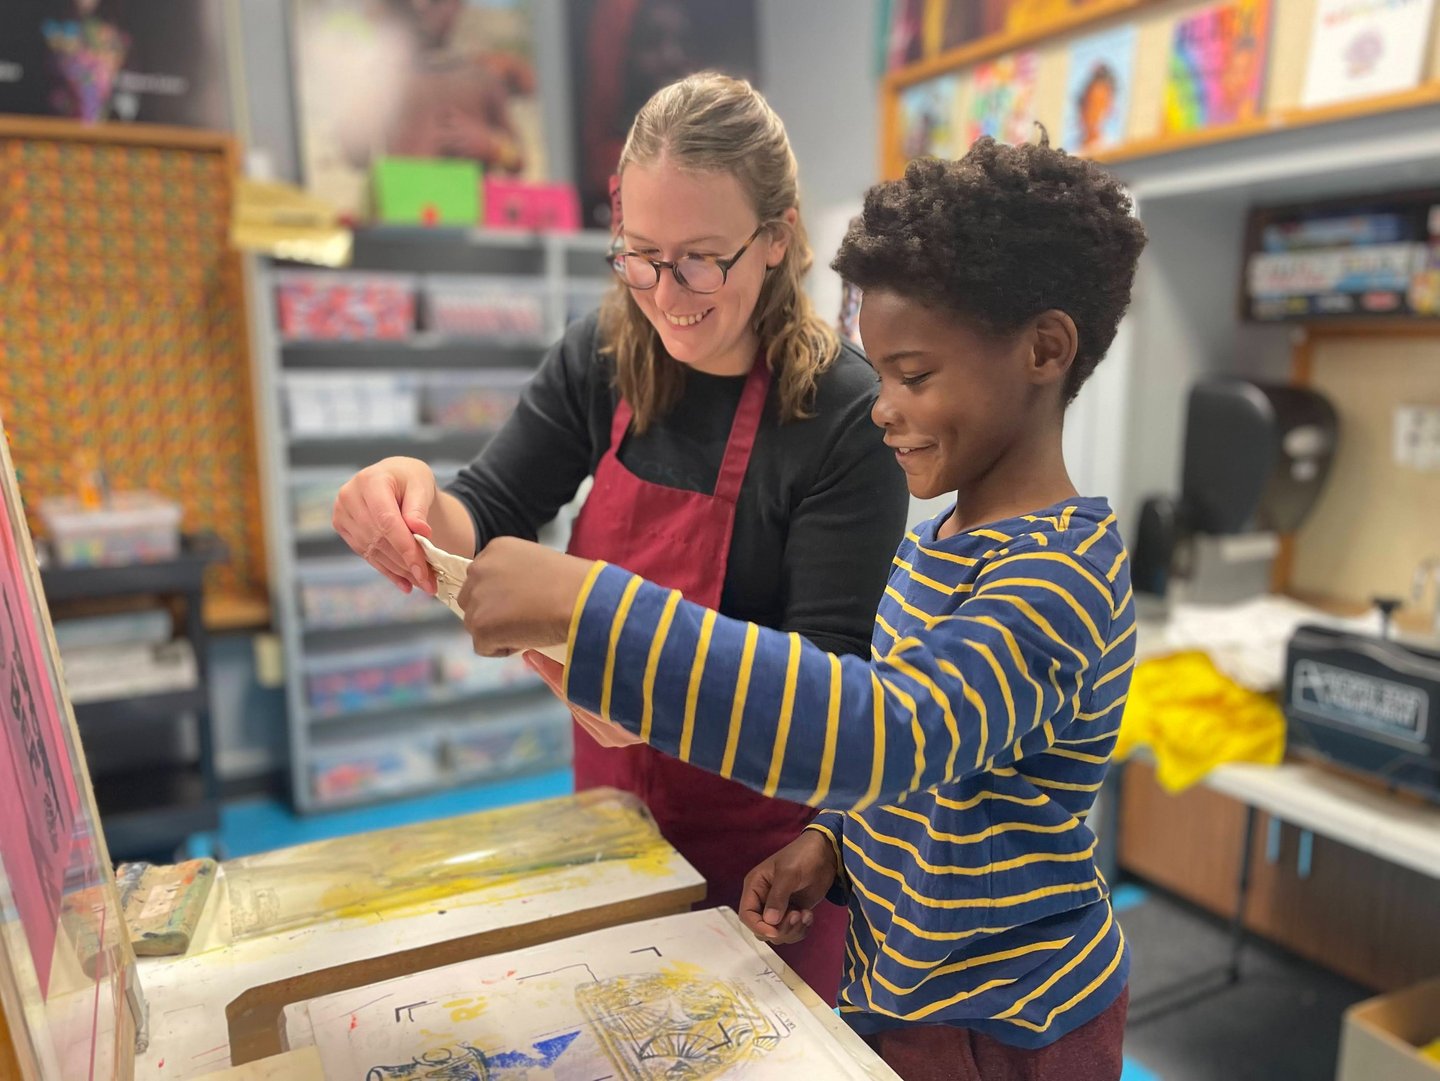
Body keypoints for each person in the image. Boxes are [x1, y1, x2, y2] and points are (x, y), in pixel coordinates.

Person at [453, 131, 1148, 1081]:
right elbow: (936, 774)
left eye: (914, 375)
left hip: (1010, 1022)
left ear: (1043, 349)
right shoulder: (944, 543)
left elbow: (891, 729)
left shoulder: (1057, 577)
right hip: (901, 983)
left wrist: (595, 605)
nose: (881, 405)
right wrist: (832, 838)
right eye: (880, 370)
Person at [332, 72, 909, 1004]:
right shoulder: (603, 355)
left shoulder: (843, 418)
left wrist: (633, 661)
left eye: (699, 260)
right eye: (639, 254)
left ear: (778, 239)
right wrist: (408, 500)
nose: (664, 291)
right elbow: (490, 506)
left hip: (763, 865)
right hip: (611, 823)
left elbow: (836, 704)